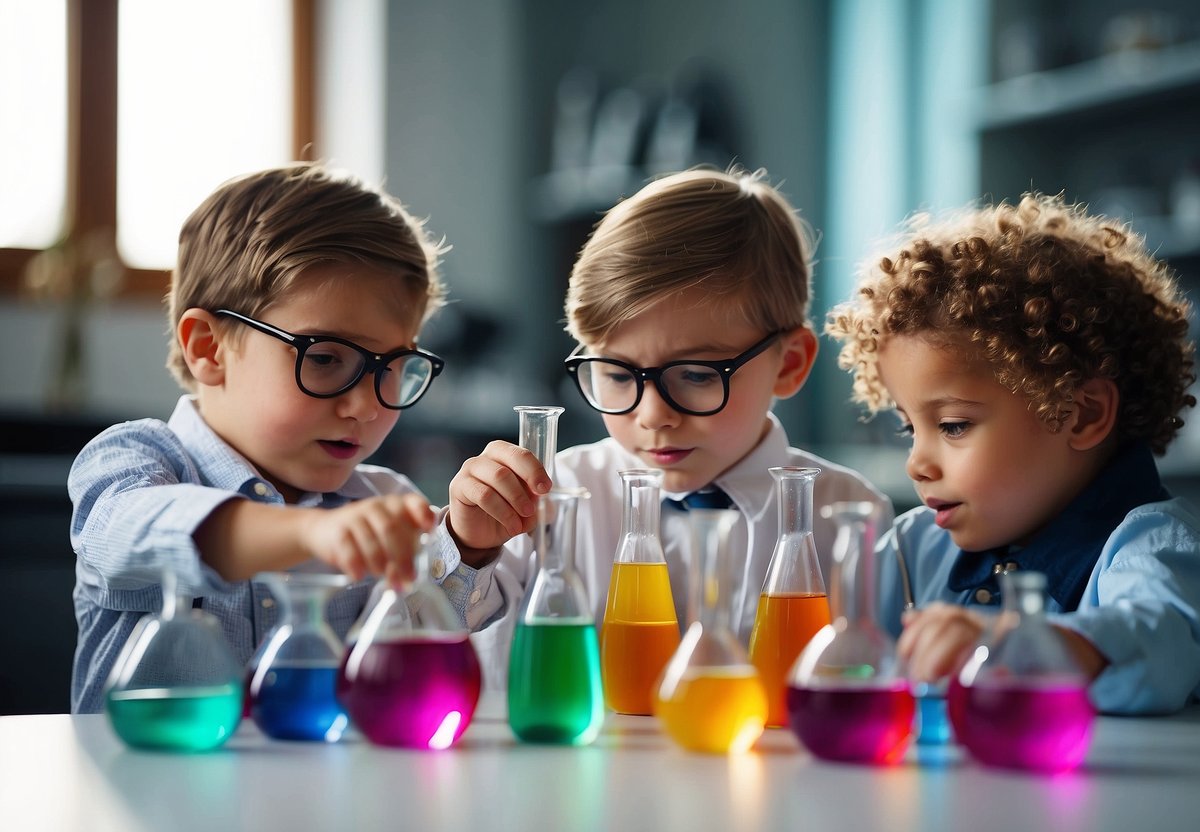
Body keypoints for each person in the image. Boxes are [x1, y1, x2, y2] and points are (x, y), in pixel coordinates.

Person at [432, 167, 892, 688]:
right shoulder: (545, 501)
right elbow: (439, 632)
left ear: (789, 364)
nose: (652, 415)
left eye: (696, 374)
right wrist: (468, 546)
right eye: (615, 374)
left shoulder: (848, 516)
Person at [68, 163, 448, 713]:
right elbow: (135, 532)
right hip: (136, 795)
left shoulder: (384, 501)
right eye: (324, 358)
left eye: (392, 367)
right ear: (208, 348)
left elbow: (437, 630)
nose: (365, 405)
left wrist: (473, 540)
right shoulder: (131, 461)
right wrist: (312, 534)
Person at [825, 192, 1200, 714]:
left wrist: (1016, 643)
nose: (917, 463)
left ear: (1082, 413)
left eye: (953, 425)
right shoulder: (913, 549)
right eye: (908, 427)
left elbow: (1157, 636)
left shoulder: (1149, 542)